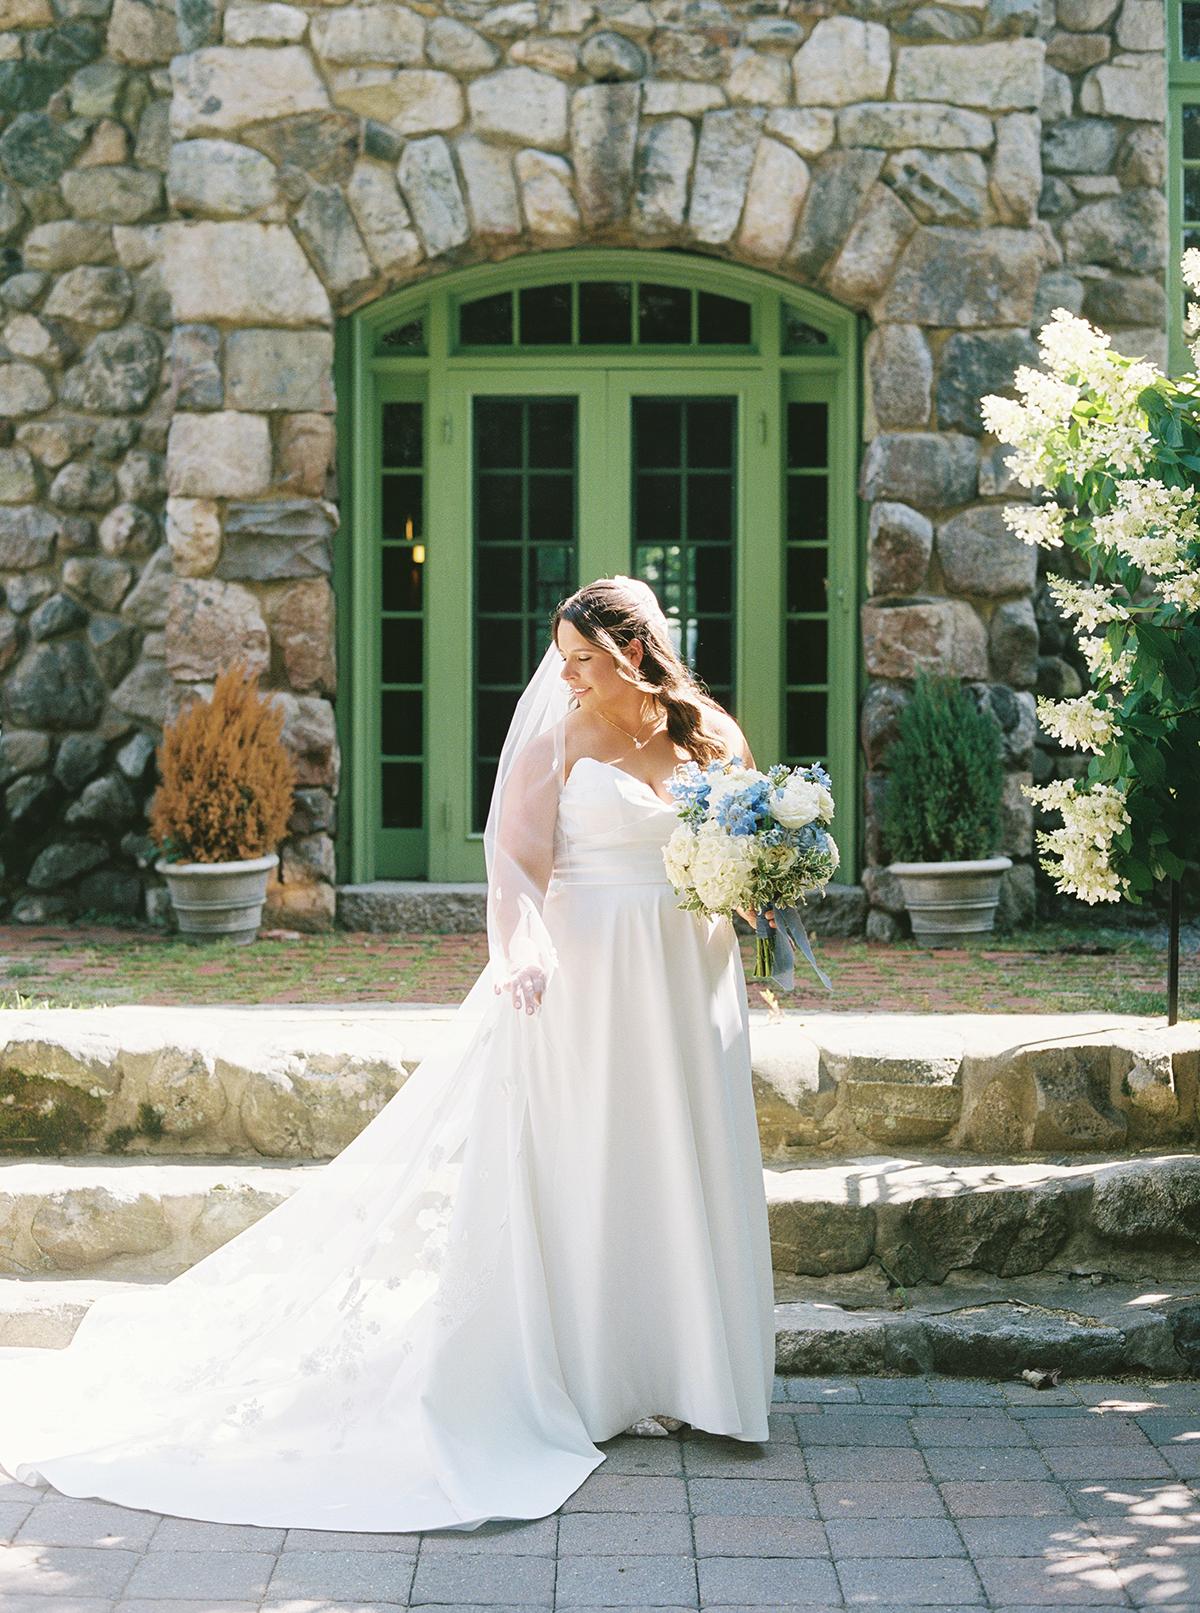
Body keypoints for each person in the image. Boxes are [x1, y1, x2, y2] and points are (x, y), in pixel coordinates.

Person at [0, 575, 777, 1533]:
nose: (567, 675)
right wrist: (519, 947)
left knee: (683, 1154)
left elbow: (744, 857)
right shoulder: (558, 739)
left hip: (685, 973)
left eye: (584, 659)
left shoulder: (709, 736)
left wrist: (767, 878)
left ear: (634, 654)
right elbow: (518, 868)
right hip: (589, 977)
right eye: (562, 658)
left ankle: (698, 1373)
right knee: (599, 1163)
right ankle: (595, 1378)